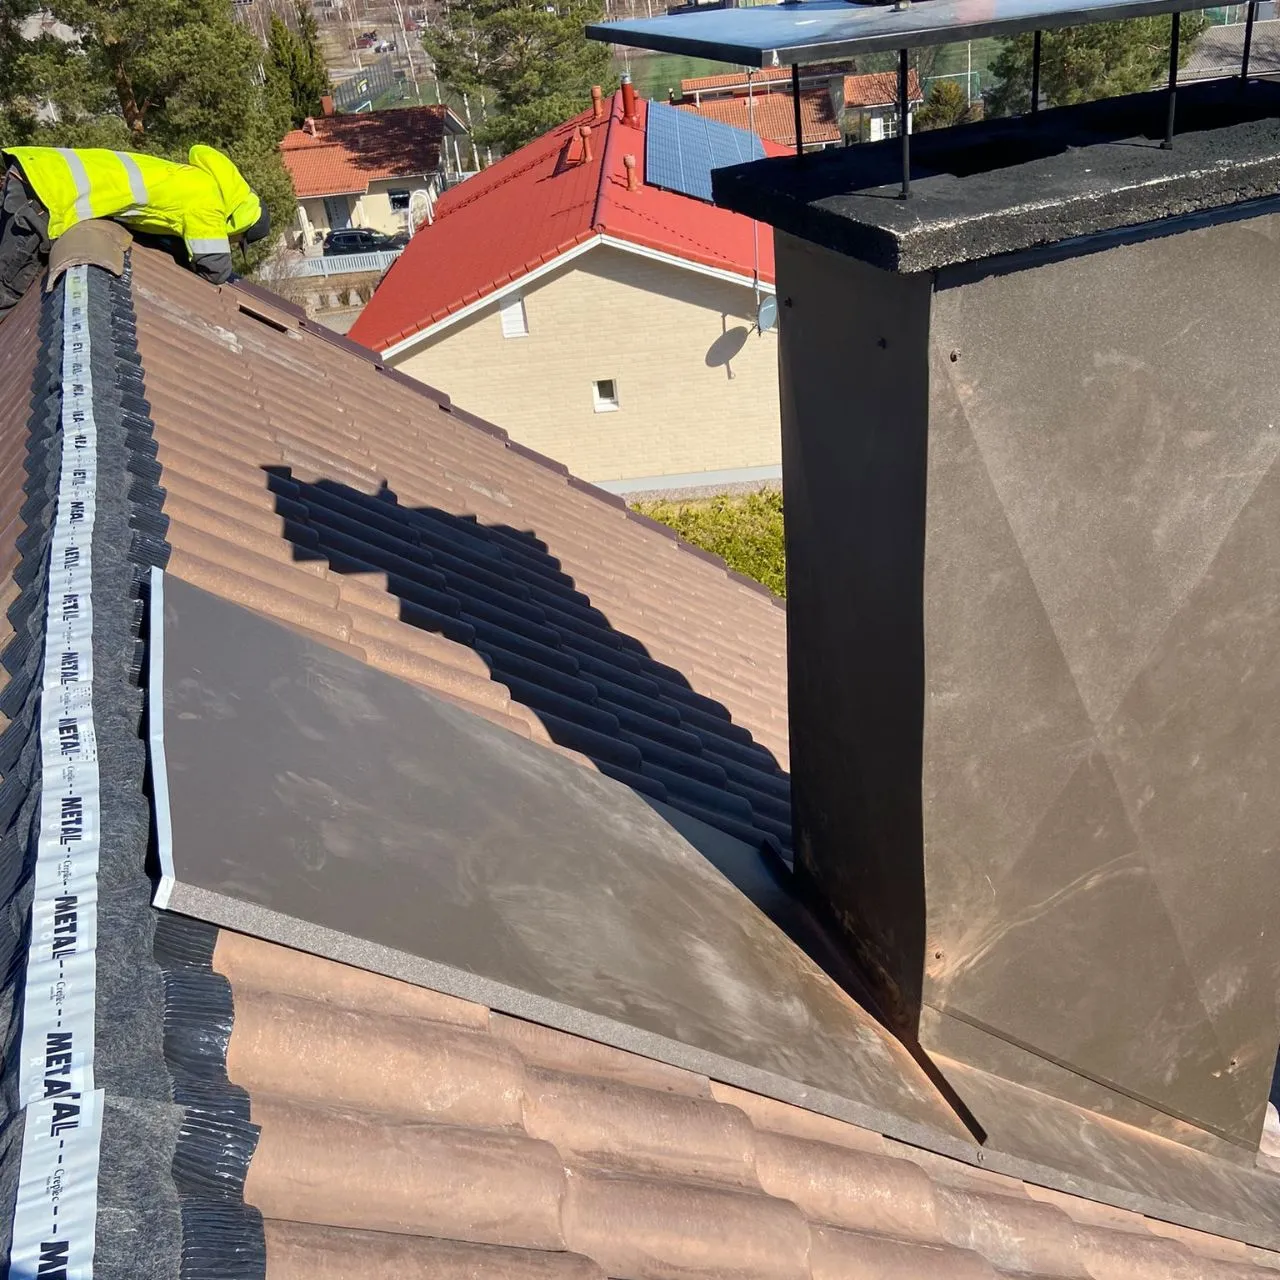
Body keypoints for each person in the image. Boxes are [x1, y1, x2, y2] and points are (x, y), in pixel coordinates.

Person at [0, 143, 271, 318]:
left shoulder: (197, 181)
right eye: (238, 241)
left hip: (36, 173)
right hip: (43, 193)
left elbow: (161, 227)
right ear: (240, 225)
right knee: (7, 292)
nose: (232, 243)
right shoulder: (209, 202)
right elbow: (215, 268)